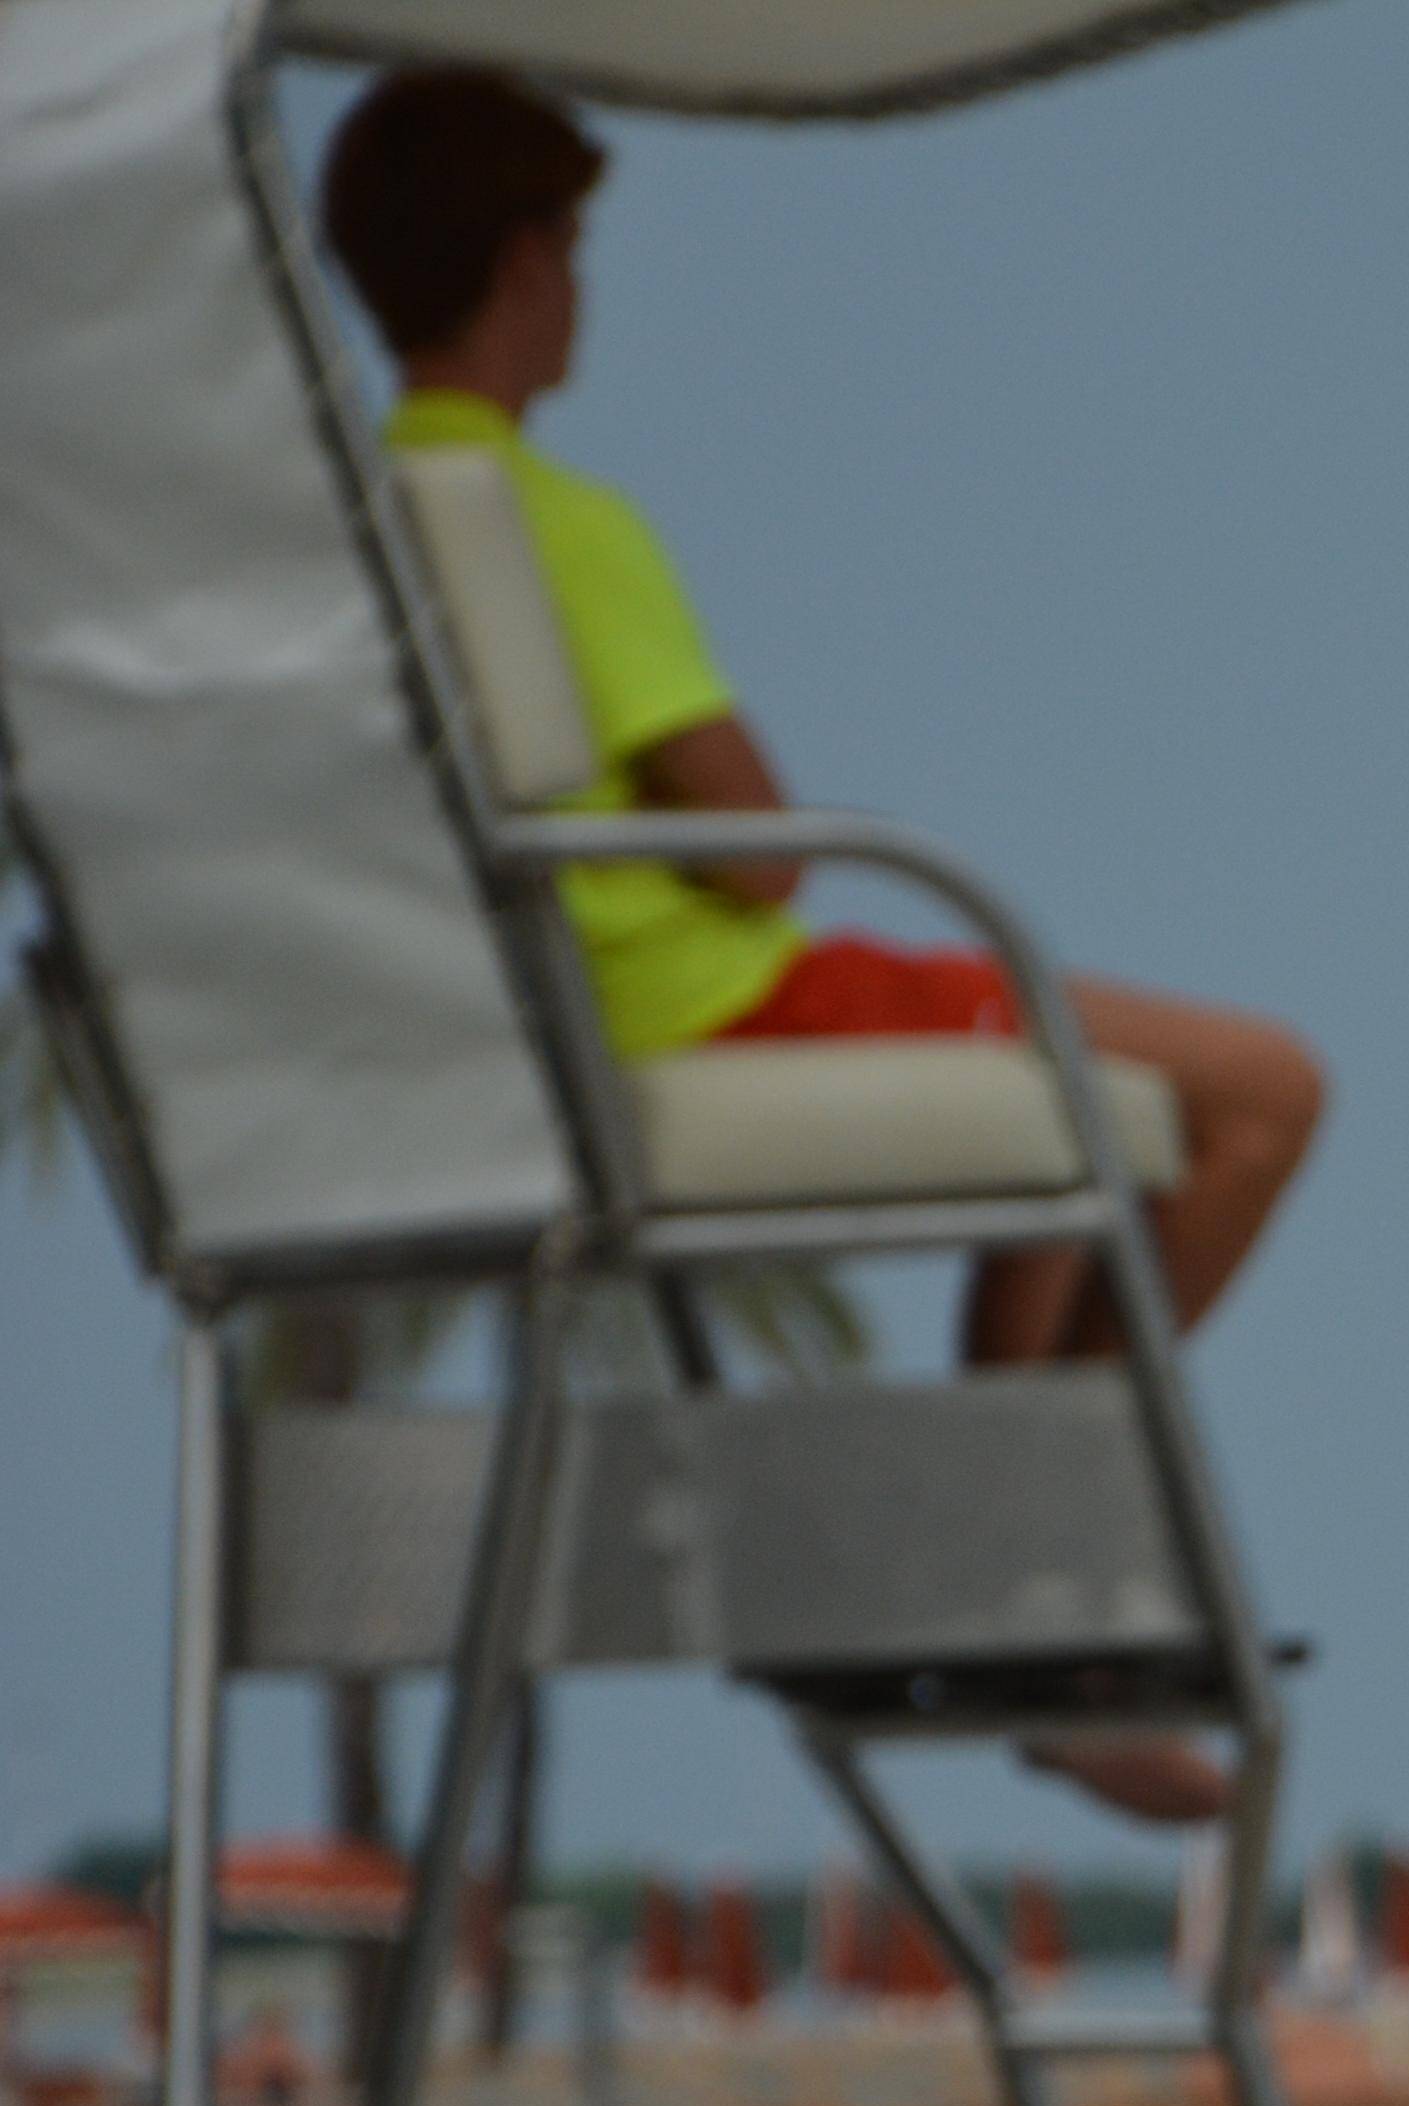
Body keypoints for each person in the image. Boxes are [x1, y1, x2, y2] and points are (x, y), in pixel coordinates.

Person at [316, 67, 1313, 1824]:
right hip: (721, 1005)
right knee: (1257, 1093)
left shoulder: (348, 525)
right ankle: (1014, 1578)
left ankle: (1003, 1571)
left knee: (1087, 1105)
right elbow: (756, 843)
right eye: (575, 245)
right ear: (529, 260)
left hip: (574, 1025)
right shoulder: (549, 520)